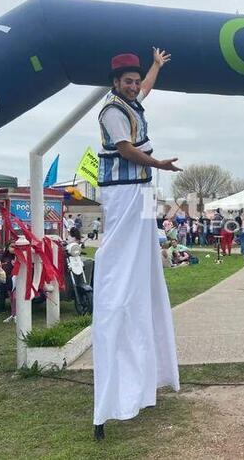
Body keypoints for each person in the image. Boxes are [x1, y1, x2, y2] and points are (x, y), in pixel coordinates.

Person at [92, 48, 181, 440]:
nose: (133, 85)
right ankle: (118, 388)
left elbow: (146, 89)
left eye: (134, 79)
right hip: (125, 189)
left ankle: (147, 374)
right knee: (122, 276)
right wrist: (159, 164)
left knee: (144, 274)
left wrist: (157, 66)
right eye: (126, 80)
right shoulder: (112, 110)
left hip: (140, 191)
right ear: (114, 83)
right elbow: (126, 149)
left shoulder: (131, 101)